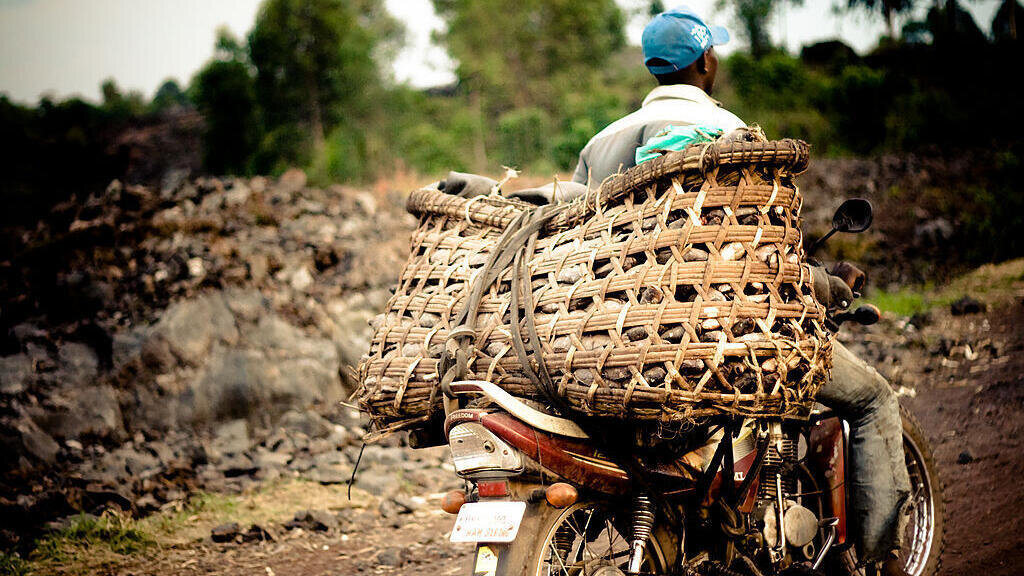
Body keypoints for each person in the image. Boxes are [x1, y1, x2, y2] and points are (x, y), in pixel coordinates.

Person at [570, 7, 911, 575]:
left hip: (626, 342)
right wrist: (827, 285)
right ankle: (887, 563)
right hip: (722, 333)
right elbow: (757, 257)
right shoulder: (730, 136)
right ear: (705, 61)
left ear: (654, 68)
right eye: (714, 54)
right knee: (874, 398)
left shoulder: (601, 145)